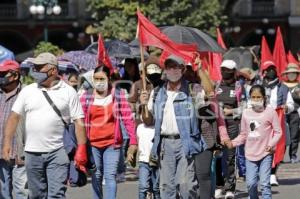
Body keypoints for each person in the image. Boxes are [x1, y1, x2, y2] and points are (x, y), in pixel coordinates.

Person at [2, 52, 88, 199]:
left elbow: (79, 121)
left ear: (53, 70)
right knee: (36, 195)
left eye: (39, 67)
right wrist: (7, 143)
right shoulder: (28, 91)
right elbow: (13, 117)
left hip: (58, 151)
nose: (34, 71)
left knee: (56, 194)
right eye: (34, 67)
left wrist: (81, 148)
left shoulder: (68, 92)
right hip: (31, 153)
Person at [140, 55, 206, 199]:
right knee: (167, 189)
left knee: (186, 187)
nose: (172, 70)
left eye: (176, 67)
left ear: (182, 70)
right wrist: (143, 104)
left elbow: (210, 93)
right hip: (164, 145)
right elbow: (148, 120)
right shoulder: (157, 92)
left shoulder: (192, 89)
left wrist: (200, 71)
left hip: (185, 143)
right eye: (169, 67)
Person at [80, 66, 138, 199]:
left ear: (109, 79)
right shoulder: (86, 96)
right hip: (92, 144)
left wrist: (133, 142)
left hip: (112, 144)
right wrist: (81, 144)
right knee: (97, 175)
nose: (99, 81)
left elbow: (128, 119)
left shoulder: (117, 95)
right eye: (96, 79)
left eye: (102, 78)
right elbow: (80, 120)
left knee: (110, 176)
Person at [225, 85, 282, 199]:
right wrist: (233, 143)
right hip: (250, 155)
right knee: (251, 184)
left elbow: (278, 132)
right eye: (253, 97)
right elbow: (243, 134)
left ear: (264, 98)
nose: (256, 99)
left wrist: (270, 144)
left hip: (265, 154)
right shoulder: (246, 113)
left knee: (265, 184)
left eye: (258, 97)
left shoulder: (270, 112)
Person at [129, 58, 163, 199]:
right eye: (149, 71)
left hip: (159, 137)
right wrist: (141, 105)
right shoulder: (138, 85)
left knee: (157, 186)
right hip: (142, 132)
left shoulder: (163, 88)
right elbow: (131, 105)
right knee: (143, 186)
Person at [215, 60, 246, 199]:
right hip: (216, 125)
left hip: (232, 125)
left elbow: (245, 108)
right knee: (216, 156)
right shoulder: (216, 84)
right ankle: (218, 185)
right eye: (223, 69)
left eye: (228, 70)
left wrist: (231, 111)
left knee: (229, 157)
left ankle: (230, 188)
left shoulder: (239, 86)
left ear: (234, 71)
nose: (225, 72)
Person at [261, 63, 294, 186]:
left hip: (279, 121)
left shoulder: (283, 87)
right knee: (265, 147)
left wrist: (287, 107)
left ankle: (273, 174)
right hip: (264, 122)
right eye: (268, 70)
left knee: (280, 147)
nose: (270, 71)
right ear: (264, 72)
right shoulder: (259, 87)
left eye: (272, 69)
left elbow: (290, 104)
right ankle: (266, 172)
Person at [0, 60, 28, 199]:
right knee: (3, 193)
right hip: (0, 154)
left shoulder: (26, 94)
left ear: (15, 76)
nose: (0, 76)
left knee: (21, 192)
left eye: (3, 73)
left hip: (20, 153)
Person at [282, 63, 300, 163]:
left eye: (294, 73)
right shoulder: (282, 85)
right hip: (282, 113)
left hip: (295, 113)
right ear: (287, 74)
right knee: (282, 135)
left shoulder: (299, 85)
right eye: (290, 73)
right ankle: (280, 156)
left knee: (294, 135)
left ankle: (292, 155)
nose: (291, 75)